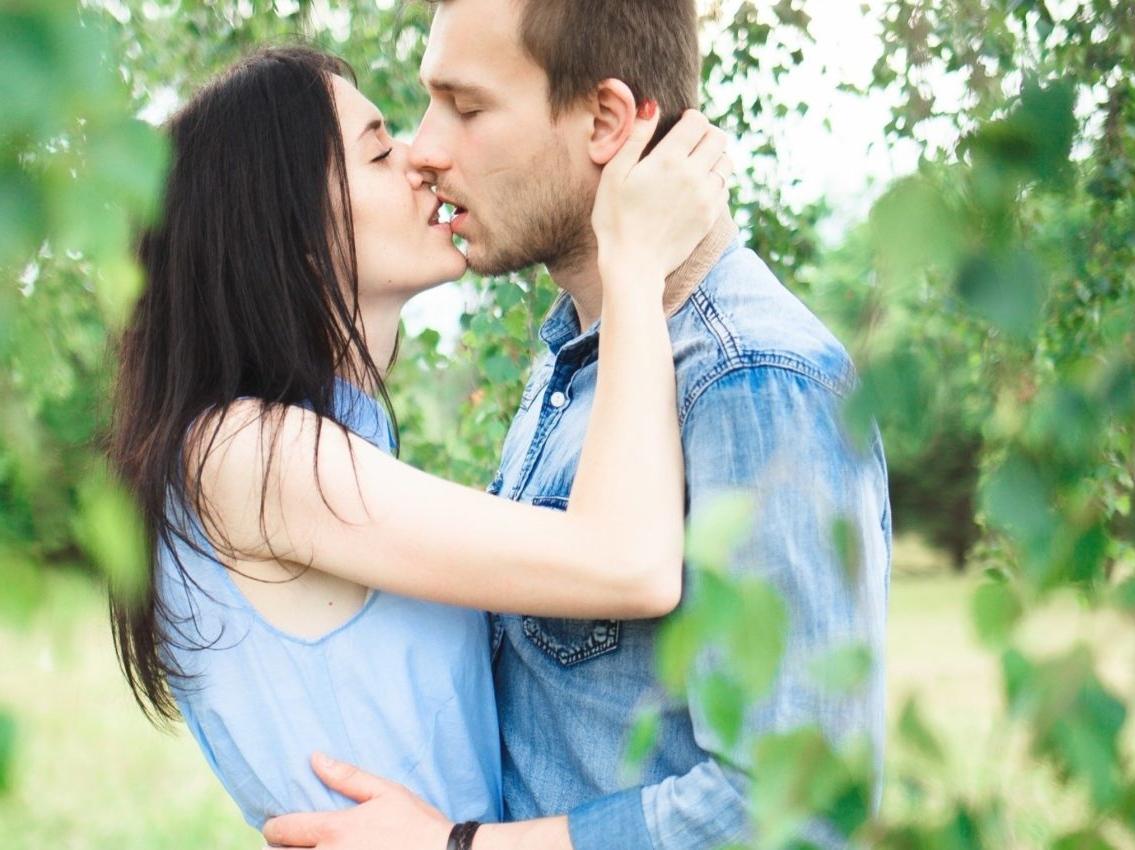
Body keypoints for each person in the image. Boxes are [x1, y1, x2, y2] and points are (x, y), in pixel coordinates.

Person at [261, 2, 892, 849]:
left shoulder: (753, 378)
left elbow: (800, 813)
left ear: (603, 120)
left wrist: (459, 847)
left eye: (468, 107)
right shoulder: (579, 354)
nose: (427, 147)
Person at [106, 45, 734, 835]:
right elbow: (630, 563)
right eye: (378, 150)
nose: (423, 158)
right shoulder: (248, 456)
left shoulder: (319, 442)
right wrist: (633, 264)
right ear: (290, 233)